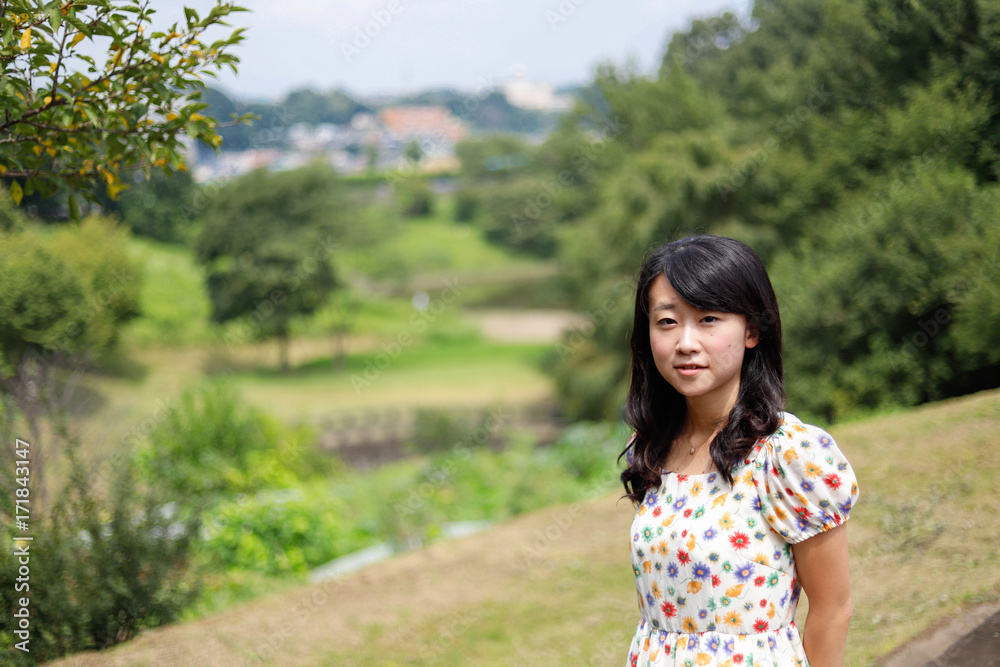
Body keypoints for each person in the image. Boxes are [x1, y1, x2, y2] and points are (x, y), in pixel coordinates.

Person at [620, 235, 859, 667]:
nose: (686, 343)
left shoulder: (787, 453)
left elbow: (832, 609)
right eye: (668, 322)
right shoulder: (653, 444)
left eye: (709, 319)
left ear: (752, 330)